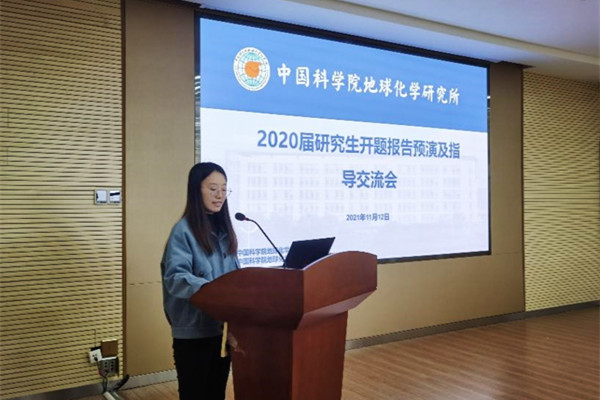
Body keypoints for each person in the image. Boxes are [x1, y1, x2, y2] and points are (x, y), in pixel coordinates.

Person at [161, 162, 239, 400]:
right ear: (196, 190)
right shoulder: (183, 231)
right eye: (213, 188)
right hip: (193, 334)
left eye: (224, 189)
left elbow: (233, 276)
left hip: (221, 331)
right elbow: (176, 277)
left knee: (216, 394)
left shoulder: (224, 231)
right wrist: (213, 291)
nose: (220, 195)